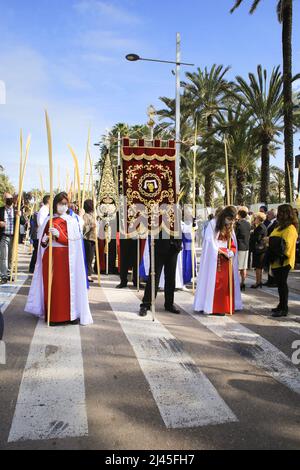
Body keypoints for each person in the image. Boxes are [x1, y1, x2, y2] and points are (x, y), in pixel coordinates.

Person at [25, 192, 93, 326]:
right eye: (60, 204)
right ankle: (53, 316)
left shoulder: (72, 221)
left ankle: (71, 314)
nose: (63, 207)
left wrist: (60, 236)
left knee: (68, 288)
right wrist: (44, 240)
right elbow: (42, 244)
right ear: (55, 204)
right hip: (51, 258)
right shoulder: (48, 220)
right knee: (53, 288)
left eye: (65, 204)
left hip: (67, 260)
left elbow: (75, 243)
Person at [194, 206, 242, 316]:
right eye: (230, 218)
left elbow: (232, 242)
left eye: (232, 220)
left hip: (226, 260)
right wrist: (219, 251)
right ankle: (214, 307)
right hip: (215, 259)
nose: (231, 221)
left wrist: (231, 251)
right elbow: (210, 241)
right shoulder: (212, 224)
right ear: (225, 216)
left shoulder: (230, 225)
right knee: (216, 283)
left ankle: (225, 306)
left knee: (225, 285)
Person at [139, 234, 182, 317]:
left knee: (170, 276)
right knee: (154, 276)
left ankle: (169, 304)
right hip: (159, 245)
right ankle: (146, 304)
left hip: (174, 246)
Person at [268, 204, 298, 317]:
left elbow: (286, 245)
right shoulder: (279, 226)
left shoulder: (291, 228)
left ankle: (284, 308)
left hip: (283, 260)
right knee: (280, 284)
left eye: (280, 212)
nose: (278, 215)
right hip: (276, 259)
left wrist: (271, 241)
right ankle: (280, 305)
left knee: (282, 284)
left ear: (285, 213)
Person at [0, 193, 17, 284]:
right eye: (7, 198)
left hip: (13, 237)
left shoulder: (16, 210)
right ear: (4, 199)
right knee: (4, 257)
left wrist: (20, 215)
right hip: (4, 236)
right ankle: (4, 276)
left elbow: (22, 221)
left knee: (11, 257)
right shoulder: (1, 210)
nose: (9, 200)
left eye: (10, 198)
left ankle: (9, 274)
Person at [249, 212, 268, 288]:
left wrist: (252, 234)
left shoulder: (260, 227)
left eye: (255, 218)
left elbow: (257, 238)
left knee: (258, 267)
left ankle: (258, 282)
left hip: (259, 250)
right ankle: (258, 281)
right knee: (258, 267)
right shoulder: (261, 226)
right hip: (259, 249)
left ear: (259, 219)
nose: (254, 220)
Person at [235, 208, 251, 291]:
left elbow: (235, 235)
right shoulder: (248, 224)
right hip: (246, 247)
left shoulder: (238, 224)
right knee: (244, 267)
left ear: (239, 215)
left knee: (237, 267)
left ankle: (237, 283)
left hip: (239, 246)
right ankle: (243, 282)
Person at [262, 209, 278, 287]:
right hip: (269, 244)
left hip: (273, 245)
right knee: (269, 264)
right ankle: (269, 280)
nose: (268, 215)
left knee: (272, 264)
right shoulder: (271, 222)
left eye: (270, 214)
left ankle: (274, 281)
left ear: (274, 215)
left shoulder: (276, 223)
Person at [83, 199, 96, 283]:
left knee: (91, 258)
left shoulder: (93, 215)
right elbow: (84, 228)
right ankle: (87, 275)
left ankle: (89, 274)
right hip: (87, 239)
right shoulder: (86, 216)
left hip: (93, 239)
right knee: (88, 258)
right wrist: (91, 226)